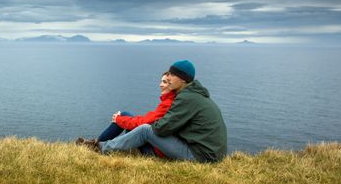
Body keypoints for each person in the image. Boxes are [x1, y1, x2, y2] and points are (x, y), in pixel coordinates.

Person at [80, 60, 228, 163]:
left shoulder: (186, 99)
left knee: (145, 130)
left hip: (201, 156)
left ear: (183, 80)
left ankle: (101, 147)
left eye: (173, 75)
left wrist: (148, 125)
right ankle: (100, 144)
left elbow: (161, 129)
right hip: (209, 153)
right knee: (142, 127)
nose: (168, 77)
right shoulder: (192, 95)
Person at [76, 71, 176, 155]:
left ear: (172, 85)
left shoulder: (168, 104)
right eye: (161, 81)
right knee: (125, 116)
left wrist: (118, 119)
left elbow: (144, 124)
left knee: (123, 116)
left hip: (153, 151)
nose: (160, 84)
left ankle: (96, 145)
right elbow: (148, 120)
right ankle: (96, 143)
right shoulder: (171, 101)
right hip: (157, 146)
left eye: (165, 82)